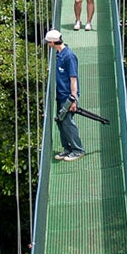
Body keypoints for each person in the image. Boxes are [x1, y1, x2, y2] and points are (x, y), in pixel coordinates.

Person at [45, 28, 84, 161]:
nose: (48, 45)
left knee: (67, 123)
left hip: (68, 97)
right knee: (61, 122)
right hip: (60, 95)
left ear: (53, 42)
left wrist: (73, 99)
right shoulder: (59, 55)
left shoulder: (69, 56)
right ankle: (67, 148)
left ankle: (78, 149)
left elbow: (73, 78)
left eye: (48, 42)